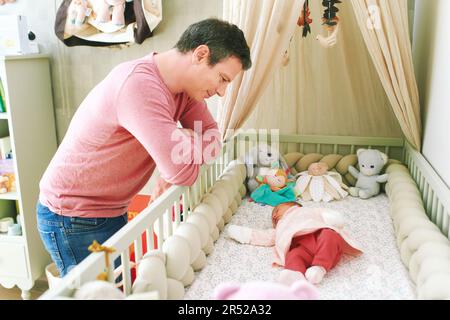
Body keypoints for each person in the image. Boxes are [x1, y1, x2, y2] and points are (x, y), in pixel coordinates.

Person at [37, 18, 252, 277]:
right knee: (101, 293)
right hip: (73, 216)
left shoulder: (185, 92)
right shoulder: (139, 85)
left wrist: (180, 141)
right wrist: (184, 144)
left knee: (118, 286)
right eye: (222, 79)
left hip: (110, 208)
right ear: (201, 54)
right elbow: (182, 172)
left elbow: (213, 139)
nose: (221, 92)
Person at [226, 202, 363, 284]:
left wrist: (334, 219)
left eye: (277, 210)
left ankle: (319, 267)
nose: (274, 215)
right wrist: (244, 233)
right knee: (294, 255)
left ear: (294, 205)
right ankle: (294, 274)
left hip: (321, 237)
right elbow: (263, 236)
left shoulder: (308, 211)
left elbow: (330, 217)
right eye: (273, 217)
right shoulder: (281, 226)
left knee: (330, 234)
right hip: (301, 248)